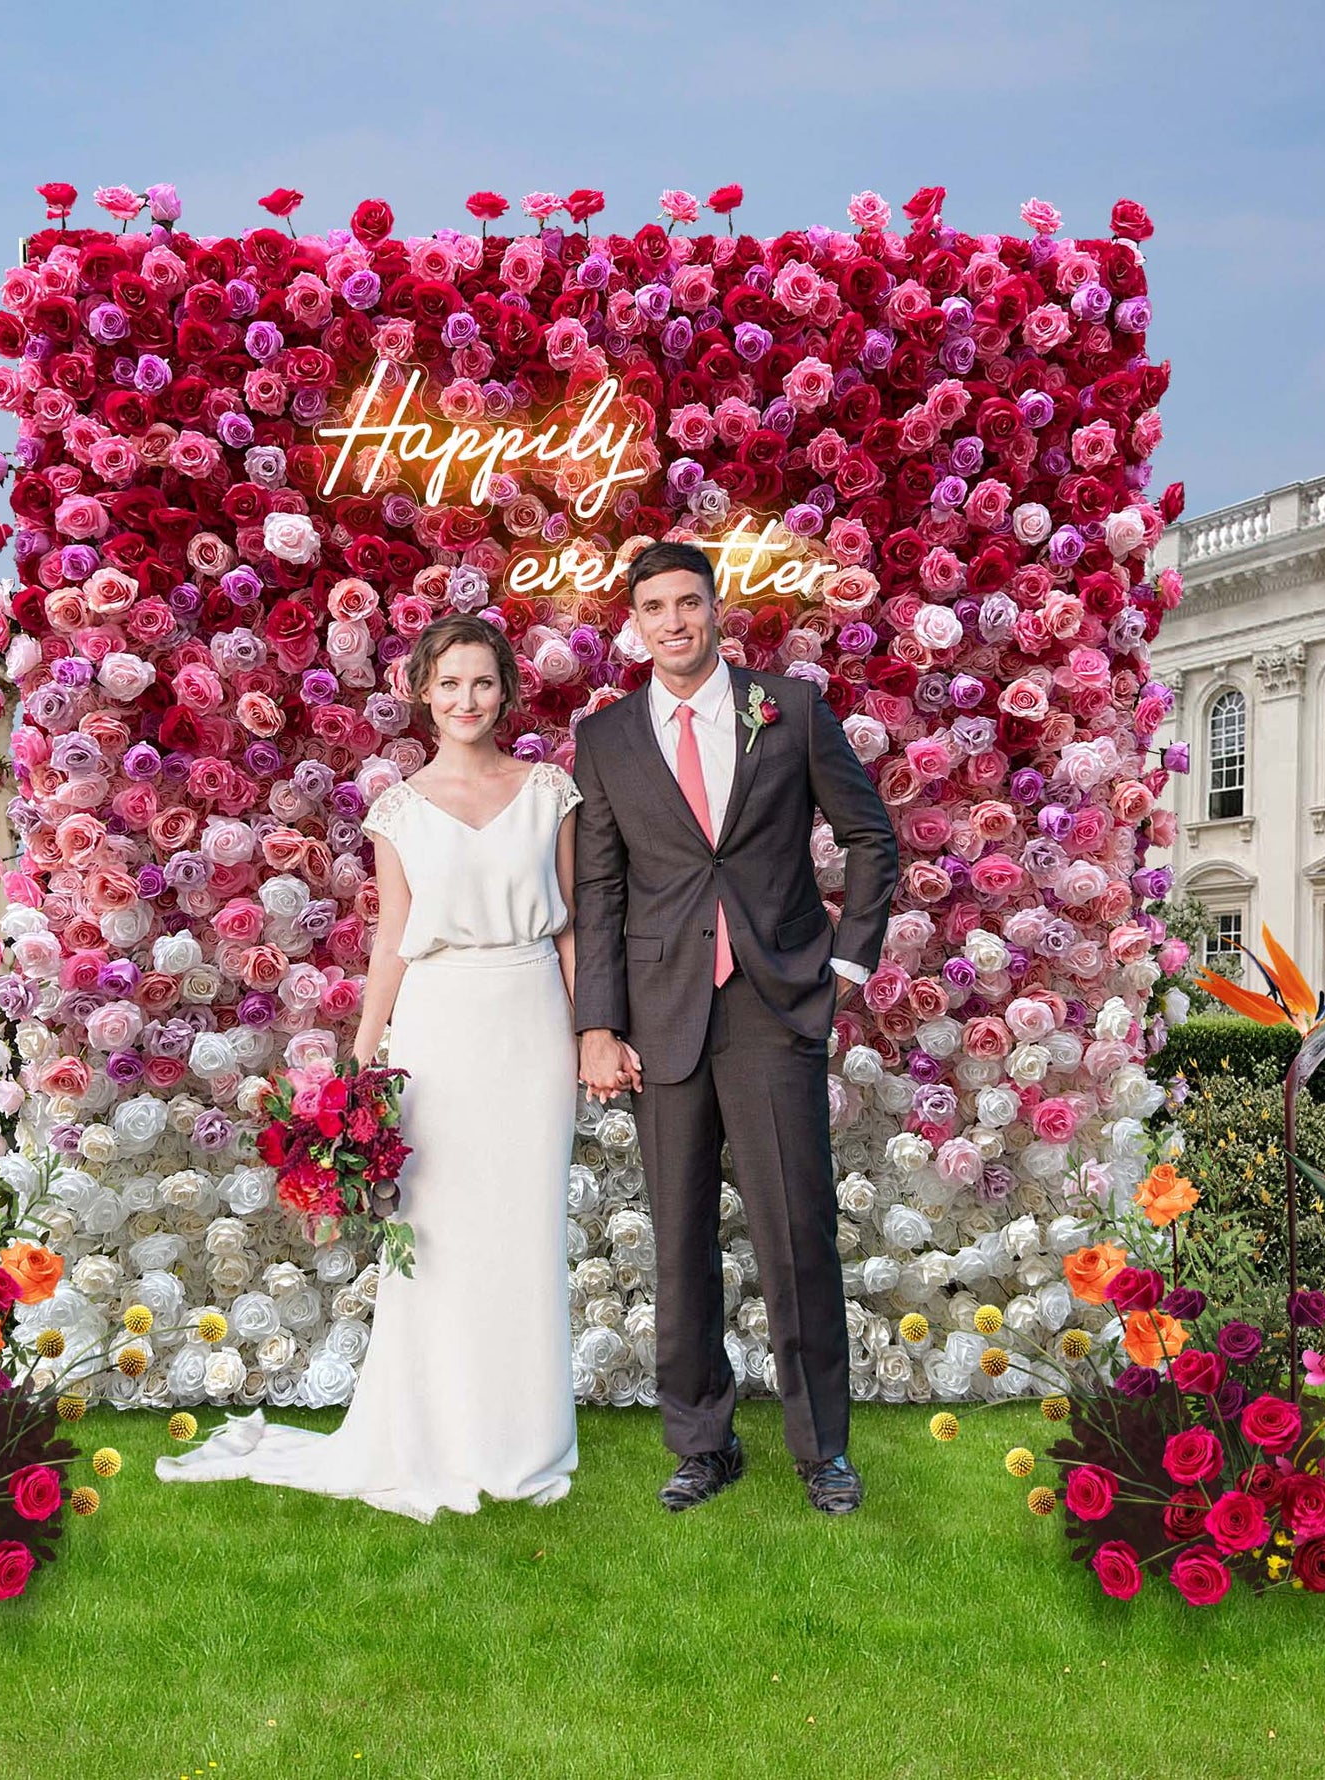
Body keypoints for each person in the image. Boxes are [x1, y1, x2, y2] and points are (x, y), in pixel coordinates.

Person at [156, 615, 581, 1521]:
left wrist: (591, 1032)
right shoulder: (398, 809)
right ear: (423, 693)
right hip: (439, 1028)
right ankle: (439, 1434)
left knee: (525, 1229)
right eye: (449, 683)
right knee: (440, 1235)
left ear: (506, 690)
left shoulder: (550, 791)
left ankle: (526, 1441)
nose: (466, 699)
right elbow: (391, 942)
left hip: (533, 1019)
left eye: (482, 682)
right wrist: (356, 1069)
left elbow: (573, 923)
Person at [572, 541, 899, 1514]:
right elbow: (600, 888)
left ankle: (822, 1450)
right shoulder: (607, 738)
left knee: (797, 1234)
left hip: (771, 1006)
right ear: (635, 625)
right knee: (679, 1240)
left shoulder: (788, 709)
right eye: (654, 608)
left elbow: (869, 836)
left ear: (716, 610)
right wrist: (598, 1024)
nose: (673, 622)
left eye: (688, 602)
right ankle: (702, 1443)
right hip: (661, 1013)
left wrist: (845, 964)